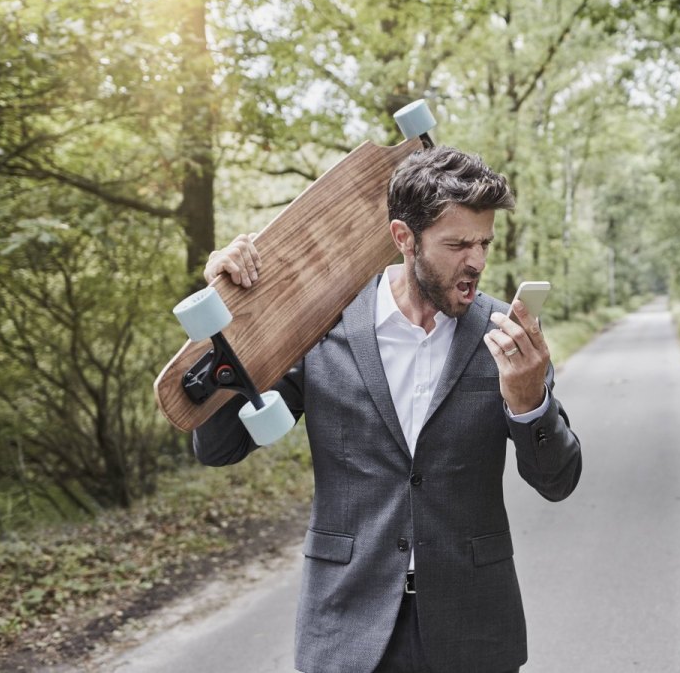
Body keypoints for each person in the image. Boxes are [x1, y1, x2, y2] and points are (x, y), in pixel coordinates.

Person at [193, 146, 583, 673]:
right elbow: (219, 448)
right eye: (457, 244)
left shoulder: (507, 335)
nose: (477, 261)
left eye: (484, 243)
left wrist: (529, 401)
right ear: (404, 238)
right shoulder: (319, 329)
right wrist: (233, 325)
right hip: (347, 626)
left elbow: (558, 481)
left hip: (474, 630)